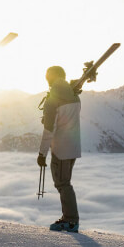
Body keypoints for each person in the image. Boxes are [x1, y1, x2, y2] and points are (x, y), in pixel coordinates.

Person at [37, 65, 81, 232]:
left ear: (51, 78)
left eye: (47, 76)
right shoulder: (75, 96)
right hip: (74, 146)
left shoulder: (52, 100)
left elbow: (49, 129)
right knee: (64, 182)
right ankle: (68, 218)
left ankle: (70, 220)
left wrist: (42, 154)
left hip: (61, 148)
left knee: (63, 183)